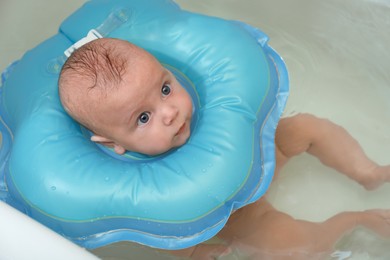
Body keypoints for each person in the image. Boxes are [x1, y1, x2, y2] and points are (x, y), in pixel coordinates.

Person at [59, 38, 390, 259]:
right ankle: (354, 220)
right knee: (292, 247)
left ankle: (368, 172)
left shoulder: (207, 108)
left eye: (164, 88)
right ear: (114, 144)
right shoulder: (133, 188)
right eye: (143, 117)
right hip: (245, 216)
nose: (170, 112)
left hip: (258, 160)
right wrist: (194, 254)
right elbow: (165, 234)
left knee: (306, 126)